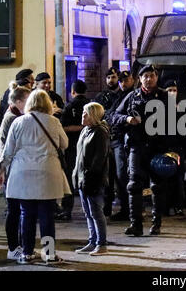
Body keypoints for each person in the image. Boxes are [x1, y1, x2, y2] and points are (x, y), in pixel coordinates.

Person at [0, 89, 70, 264]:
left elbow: (8, 151)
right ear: (48, 103)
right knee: (47, 216)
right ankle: (50, 254)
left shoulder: (18, 122)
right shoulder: (54, 121)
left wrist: (0, 170)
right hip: (48, 173)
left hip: (22, 174)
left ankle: (27, 253)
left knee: (26, 215)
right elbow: (64, 143)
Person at [111, 64, 173, 236]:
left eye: (152, 75)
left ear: (156, 77)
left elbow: (175, 123)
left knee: (157, 187)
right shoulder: (132, 96)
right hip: (137, 147)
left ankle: (156, 223)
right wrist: (127, 118)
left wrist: (171, 149)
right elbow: (114, 116)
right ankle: (136, 224)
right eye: (145, 76)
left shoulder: (165, 96)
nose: (149, 79)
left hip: (157, 148)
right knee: (134, 185)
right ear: (140, 79)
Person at [0, 84, 31, 260]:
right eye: (27, 100)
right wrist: (1, 172)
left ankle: (22, 247)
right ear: (17, 101)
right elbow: (8, 148)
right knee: (14, 210)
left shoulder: (17, 116)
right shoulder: (11, 119)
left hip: (15, 169)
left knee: (19, 210)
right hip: (11, 171)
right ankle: (13, 247)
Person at [73, 102, 110, 256]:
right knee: (88, 213)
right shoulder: (85, 131)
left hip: (93, 180)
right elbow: (79, 156)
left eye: (86, 113)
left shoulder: (100, 132)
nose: (83, 116)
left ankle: (101, 244)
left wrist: (90, 175)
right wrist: (76, 174)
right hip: (83, 178)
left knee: (96, 212)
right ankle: (92, 241)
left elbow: (99, 158)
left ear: (94, 115)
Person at [55, 80, 90, 221]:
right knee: (88, 177)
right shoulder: (90, 105)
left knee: (69, 178)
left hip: (72, 147)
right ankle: (90, 209)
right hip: (88, 147)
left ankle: (67, 210)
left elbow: (62, 127)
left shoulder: (69, 107)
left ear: (72, 91)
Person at [105, 71, 135, 221]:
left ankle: (128, 209)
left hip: (124, 141)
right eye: (121, 81)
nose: (123, 83)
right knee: (117, 176)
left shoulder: (132, 96)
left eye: (126, 80)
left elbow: (116, 117)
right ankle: (126, 208)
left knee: (122, 175)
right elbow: (111, 115)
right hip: (115, 139)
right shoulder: (119, 97)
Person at [94, 67, 122, 217]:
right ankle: (107, 206)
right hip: (104, 139)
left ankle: (123, 205)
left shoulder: (123, 96)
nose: (111, 80)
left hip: (118, 139)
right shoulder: (100, 97)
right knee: (105, 175)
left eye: (114, 77)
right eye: (109, 77)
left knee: (119, 174)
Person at [0, 69, 34, 157]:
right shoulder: (11, 113)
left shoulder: (12, 93)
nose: (33, 83)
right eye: (31, 80)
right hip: (3, 136)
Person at [163, 79, 186, 216]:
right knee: (163, 180)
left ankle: (178, 205)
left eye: (174, 90)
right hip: (163, 148)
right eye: (169, 90)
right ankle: (164, 206)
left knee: (178, 179)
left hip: (177, 148)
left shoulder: (182, 108)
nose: (172, 93)